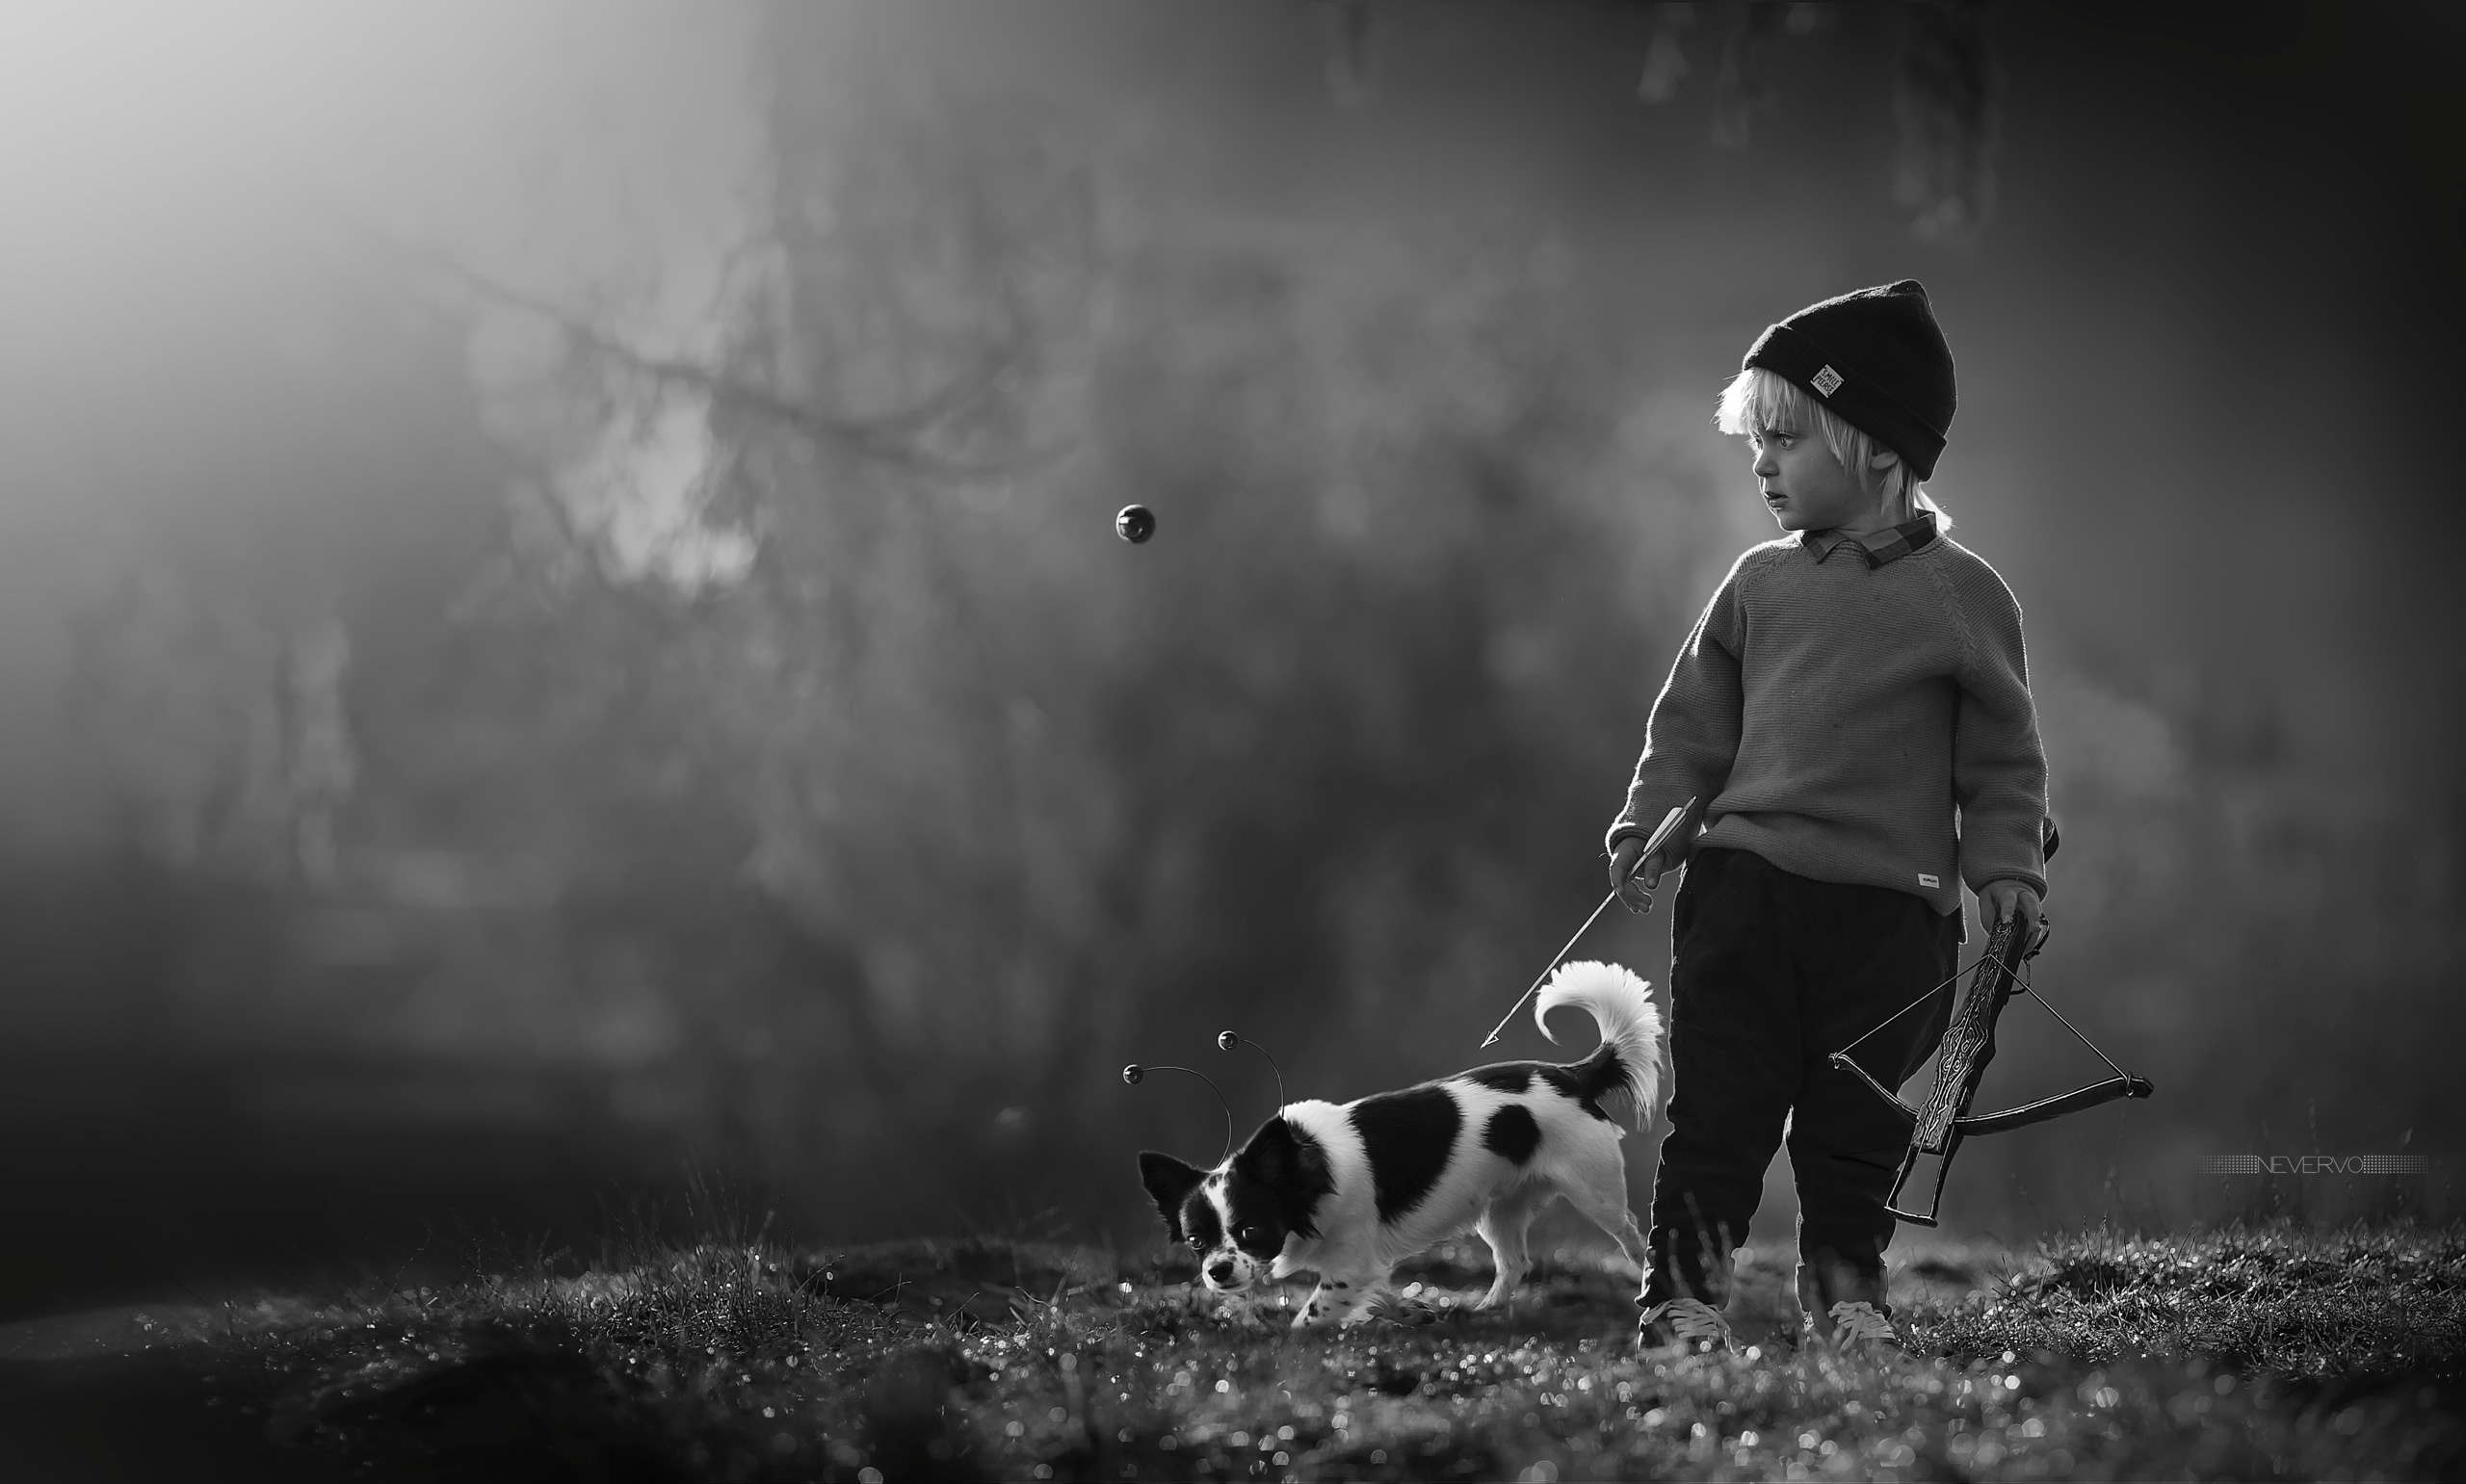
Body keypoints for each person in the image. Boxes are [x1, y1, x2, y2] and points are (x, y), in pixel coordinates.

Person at [1607, 280, 2049, 1355]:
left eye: (1784, 437)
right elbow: (1693, 724)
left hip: (1890, 924)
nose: (1759, 462)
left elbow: (2002, 762)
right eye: (1754, 441)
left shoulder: (1965, 598)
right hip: (1744, 897)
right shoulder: (1756, 585)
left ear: (1876, 449)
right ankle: (1682, 1299)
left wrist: (2007, 870)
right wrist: (1649, 821)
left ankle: (1846, 1299)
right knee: (1718, 1114)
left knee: (1855, 1131)